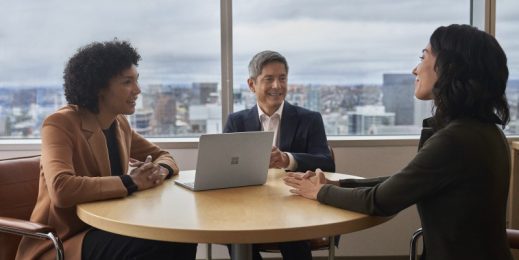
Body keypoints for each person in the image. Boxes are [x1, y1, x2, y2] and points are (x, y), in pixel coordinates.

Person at [284, 24, 513, 260]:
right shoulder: (483, 131)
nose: (415, 69)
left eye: (423, 57)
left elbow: (380, 201)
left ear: (449, 68)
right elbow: (403, 182)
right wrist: (340, 187)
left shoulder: (456, 140)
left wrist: (321, 192)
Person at [16, 40, 197, 260]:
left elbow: (164, 156)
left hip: (109, 226)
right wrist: (131, 182)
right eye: (127, 82)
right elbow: (61, 189)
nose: (138, 90)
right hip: (64, 240)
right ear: (99, 87)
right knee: (159, 243)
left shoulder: (119, 123)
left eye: (136, 80)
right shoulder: (60, 124)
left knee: (179, 236)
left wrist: (158, 171)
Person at [224, 50, 335, 260]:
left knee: (292, 228)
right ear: (251, 85)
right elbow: (225, 169)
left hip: (295, 203)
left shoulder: (309, 119)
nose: (277, 86)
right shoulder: (236, 122)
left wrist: (287, 159)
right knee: (234, 232)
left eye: (282, 78)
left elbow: (326, 162)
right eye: (269, 79)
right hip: (249, 206)